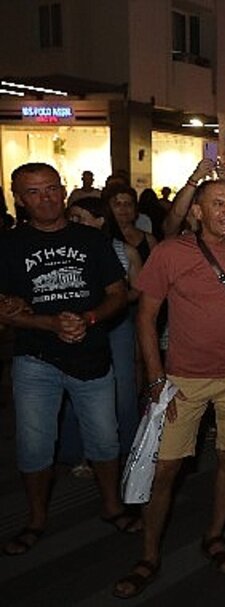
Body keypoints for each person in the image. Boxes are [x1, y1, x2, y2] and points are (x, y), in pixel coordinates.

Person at [115, 179, 225, 599]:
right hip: (183, 379)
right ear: (197, 211)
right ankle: (149, 554)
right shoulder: (171, 253)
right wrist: (155, 377)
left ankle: (214, 534)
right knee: (166, 467)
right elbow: (145, 318)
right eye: (217, 204)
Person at [0, 163, 135, 556]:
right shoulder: (8, 244)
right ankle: (36, 519)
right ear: (20, 200)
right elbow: (4, 307)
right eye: (34, 192)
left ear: (64, 190)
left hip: (92, 355)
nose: (45, 199)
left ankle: (112, 506)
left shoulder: (92, 240)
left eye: (51, 189)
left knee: (104, 438)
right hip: (35, 359)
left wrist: (89, 317)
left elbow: (117, 293)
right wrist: (49, 323)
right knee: (34, 444)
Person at [59, 196, 144, 464]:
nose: (73, 223)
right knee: (74, 386)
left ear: (100, 221)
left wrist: (112, 300)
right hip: (75, 325)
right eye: (70, 217)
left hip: (115, 325)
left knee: (122, 388)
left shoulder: (122, 250)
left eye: (79, 218)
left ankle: (126, 448)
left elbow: (139, 289)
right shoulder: (63, 251)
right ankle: (79, 451)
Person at [106, 183, 158, 263]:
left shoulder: (149, 240)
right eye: (118, 204)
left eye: (128, 204)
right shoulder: (103, 237)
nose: (123, 208)